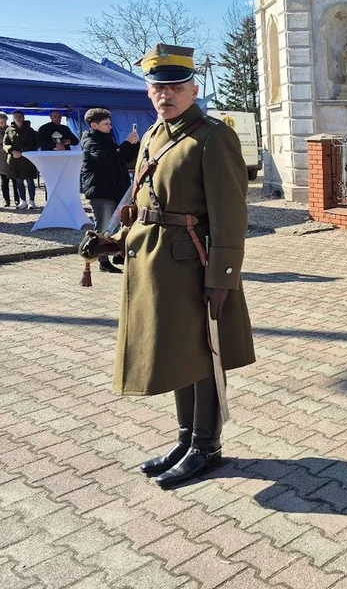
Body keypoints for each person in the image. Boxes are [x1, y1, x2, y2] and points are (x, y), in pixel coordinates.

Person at [80, 43, 255, 488]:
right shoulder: (155, 136)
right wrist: (114, 241)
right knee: (179, 354)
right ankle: (184, 439)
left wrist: (223, 280)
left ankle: (206, 446)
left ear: (194, 89)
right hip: (156, 266)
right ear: (148, 91)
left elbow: (231, 215)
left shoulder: (214, 137)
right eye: (158, 86)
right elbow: (140, 206)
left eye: (176, 86)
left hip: (195, 266)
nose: (166, 94)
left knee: (205, 356)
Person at [80, 109, 141, 273]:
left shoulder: (107, 140)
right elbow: (108, 160)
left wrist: (134, 146)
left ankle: (118, 253)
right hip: (101, 191)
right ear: (94, 125)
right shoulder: (91, 142)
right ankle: (100, 259)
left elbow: (121, 159)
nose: (110, 126)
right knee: (104, 227)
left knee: (122, 223)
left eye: (110, 123)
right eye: (106, 124)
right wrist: (127, 144)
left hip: (114, 190)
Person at [3, 110, 39, 209]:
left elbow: (34, 143)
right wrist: (12, 151)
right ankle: (22, 201)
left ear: (23, 118)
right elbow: (5, 144)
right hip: (14, 160)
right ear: (13, 118)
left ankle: (32, 201)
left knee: (30, 180)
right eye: (16, 117)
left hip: (27, 159)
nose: (18, 118)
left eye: (19, 116)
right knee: (18, 181)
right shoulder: (9, 130)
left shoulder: (30, 130)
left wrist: (22, 152)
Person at [0, 113, 19, 208]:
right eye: (1, 122)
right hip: (1, 161)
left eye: (4, 122)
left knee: (15, 181)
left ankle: (17, 200)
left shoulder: (10, 130)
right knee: (4, 182)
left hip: (12, 159)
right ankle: (6, 200)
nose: (3, 124)